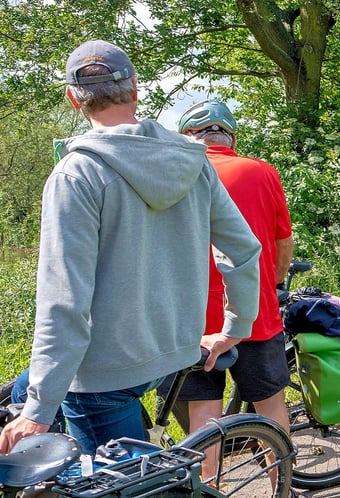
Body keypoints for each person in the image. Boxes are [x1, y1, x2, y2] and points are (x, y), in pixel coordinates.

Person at [0, 40, 261, 455]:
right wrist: (235, 328)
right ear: (135, 88)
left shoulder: (77, 173)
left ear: (73, 99)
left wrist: (40, 409)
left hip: (102, 372)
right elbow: (243, 250)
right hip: (173, 350)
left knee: (120, 476)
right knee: (21, 388)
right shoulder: (192, 162)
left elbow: (63, 301)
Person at [175, 100, 293, 475]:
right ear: (231, 138)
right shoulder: (261, 171)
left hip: (191, 318)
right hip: (253, 312)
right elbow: (284, 242)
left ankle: (209, 489)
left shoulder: (175, 174)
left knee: (203, 416)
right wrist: (274, 284)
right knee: (270, 409)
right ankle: (282, 487)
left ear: (187, 137)